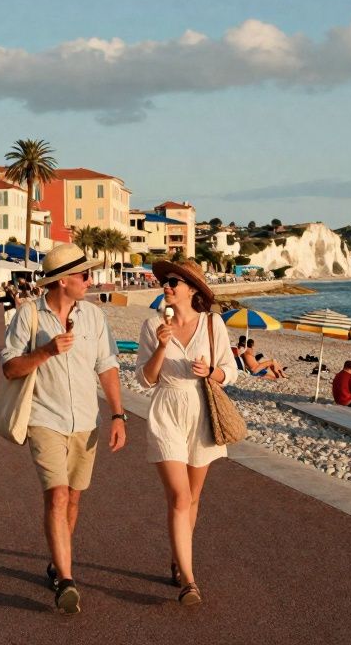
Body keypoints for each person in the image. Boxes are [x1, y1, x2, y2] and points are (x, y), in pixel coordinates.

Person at [0, 244, 126, 616]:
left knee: (73, 498)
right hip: (44, 419)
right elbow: (10, 369)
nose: (90, 280)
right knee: (56, 496)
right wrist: (46, 352)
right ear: (63, 281)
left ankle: (58, 562)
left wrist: (119, 415)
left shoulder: (95, 317)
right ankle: (68, 581)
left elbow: (107, 367)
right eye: (84, 275)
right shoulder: (28, 316)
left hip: (86, 421)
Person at [137, 259, 238, 606]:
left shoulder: (212, 324)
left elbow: (231, 370)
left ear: (193, 289)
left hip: (202, 411)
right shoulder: (152, 325)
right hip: (166, 409)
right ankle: (190, 582)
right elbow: (144, 379)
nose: (167, 285)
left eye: (175, 281)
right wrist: (162, 346)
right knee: (180, 498)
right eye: (165, 281)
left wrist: (212, 372)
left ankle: (179, 559)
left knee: (193, 499)